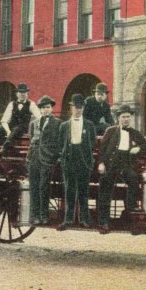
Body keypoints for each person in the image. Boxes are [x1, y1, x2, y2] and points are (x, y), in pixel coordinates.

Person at [96, 105, 146, 232]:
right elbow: (102, 149)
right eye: (123, 117)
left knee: (133, 178)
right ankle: (104, 222)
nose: (126, 119)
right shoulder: (110, 131)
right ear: (118, 118)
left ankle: (130, 211)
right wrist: (101, 163)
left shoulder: (135, 133)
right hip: (110, 164)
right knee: (105, 188)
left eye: (128, 117)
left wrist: (138, 149)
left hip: (125, 165)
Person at [58, 94, 96, 227]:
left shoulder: (90, 125)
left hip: (84, 160)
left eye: (80, 107)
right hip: (69, 160)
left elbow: (93, 143)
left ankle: (84, 219)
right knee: (69, 190)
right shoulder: (64, 126)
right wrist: (63, 158)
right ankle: (68, 220)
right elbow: (60, 143)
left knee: (83, 191)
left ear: (83, 108)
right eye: (76, 107)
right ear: (71, 108)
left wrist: (88, 160)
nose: (78, 110)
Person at [26, 95, 62, 225]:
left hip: (47, 159)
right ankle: (34, 216)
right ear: (40, 110)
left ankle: (44, 215)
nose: (45, 110)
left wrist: (53, 156)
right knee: (34, 187)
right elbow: (32, 141)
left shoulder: (58, 123)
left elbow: (59, 143)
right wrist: (30, 157)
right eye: (43, 108)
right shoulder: (34, 123)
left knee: (44, 187)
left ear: (51, 108)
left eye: (48, 107)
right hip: (34, 158)